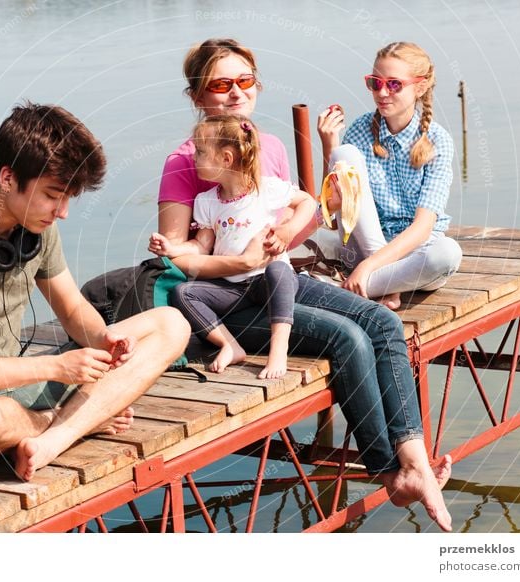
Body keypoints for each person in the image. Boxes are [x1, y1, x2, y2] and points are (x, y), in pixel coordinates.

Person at [154, 38, 453, 531]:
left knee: (380, 321)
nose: (235, 94)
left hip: (277, 279)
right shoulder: (187, 160)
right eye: (221, 84)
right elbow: (178, 259)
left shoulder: (267, 146)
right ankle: (387, 471)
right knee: (347, 337)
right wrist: (242, 256)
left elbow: (299, 212)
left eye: (244, 81)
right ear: (196, 95)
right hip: (226, 297)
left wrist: (288, 232)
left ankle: (415, 460)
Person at [0, 102, 190, 482]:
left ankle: (58, 436)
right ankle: (74, 420)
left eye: (69, 198)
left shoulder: (37, 229)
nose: (62, 211)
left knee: (171, 324)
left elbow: (71, 309)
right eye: (53, 195)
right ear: (7, 178)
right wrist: (54, 367)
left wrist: (105, 338)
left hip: (15, 389)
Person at [150, 115, 315, 379]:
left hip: (265, 282)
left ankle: (279, 346)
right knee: (183, 293)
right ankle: (229, 344)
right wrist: (173, 250)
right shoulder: (206, 202)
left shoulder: (265, 189)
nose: (194, 158)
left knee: (279, 270)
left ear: (226, 159)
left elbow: (307, 202)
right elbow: (201, 245)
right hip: (232, 288)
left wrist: (287, 230)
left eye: (201, 152)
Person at [317, 41, 463, 310]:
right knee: (344, 154)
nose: (382, 92)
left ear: (420, 86)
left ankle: (360, 286)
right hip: (362, 246)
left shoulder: (437, 141)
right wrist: (330, 146)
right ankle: (387, 286)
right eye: (375, 83)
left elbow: (422, 229)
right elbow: (338, 219)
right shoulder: (360, 130)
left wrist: (368, 267)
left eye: (394, 84)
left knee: (448, 253)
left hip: (413, 255)